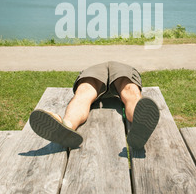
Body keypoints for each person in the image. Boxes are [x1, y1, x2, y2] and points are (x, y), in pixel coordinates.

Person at [29, 61, 160, 149]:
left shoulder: (122, 67)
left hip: (120, 68)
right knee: (84, 91)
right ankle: (65, 126)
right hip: (96, 70)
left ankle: (140, 123)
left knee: (130, 89)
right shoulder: (95, 69)